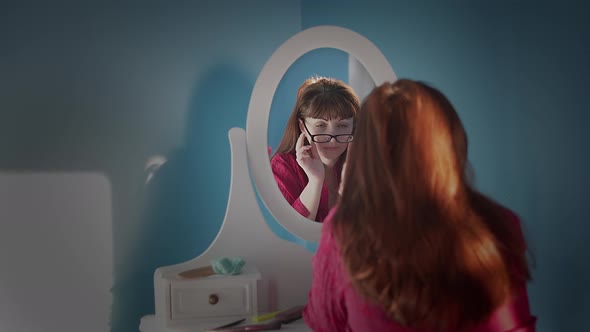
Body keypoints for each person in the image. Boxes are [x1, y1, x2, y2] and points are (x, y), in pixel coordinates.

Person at [303, 79, 536, 331]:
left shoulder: (344, 231)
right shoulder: (500, 224)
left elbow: (325, 324)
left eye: (342, 126)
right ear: (452, 141)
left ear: (364, 150)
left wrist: (349, 202)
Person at [271, 76, 359, 222]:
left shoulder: (364, 166)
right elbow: (292, 232)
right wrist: (315, 180)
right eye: (321, 125)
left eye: (342, 125)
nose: (332, 137)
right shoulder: (283, 166)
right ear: (302, 127)